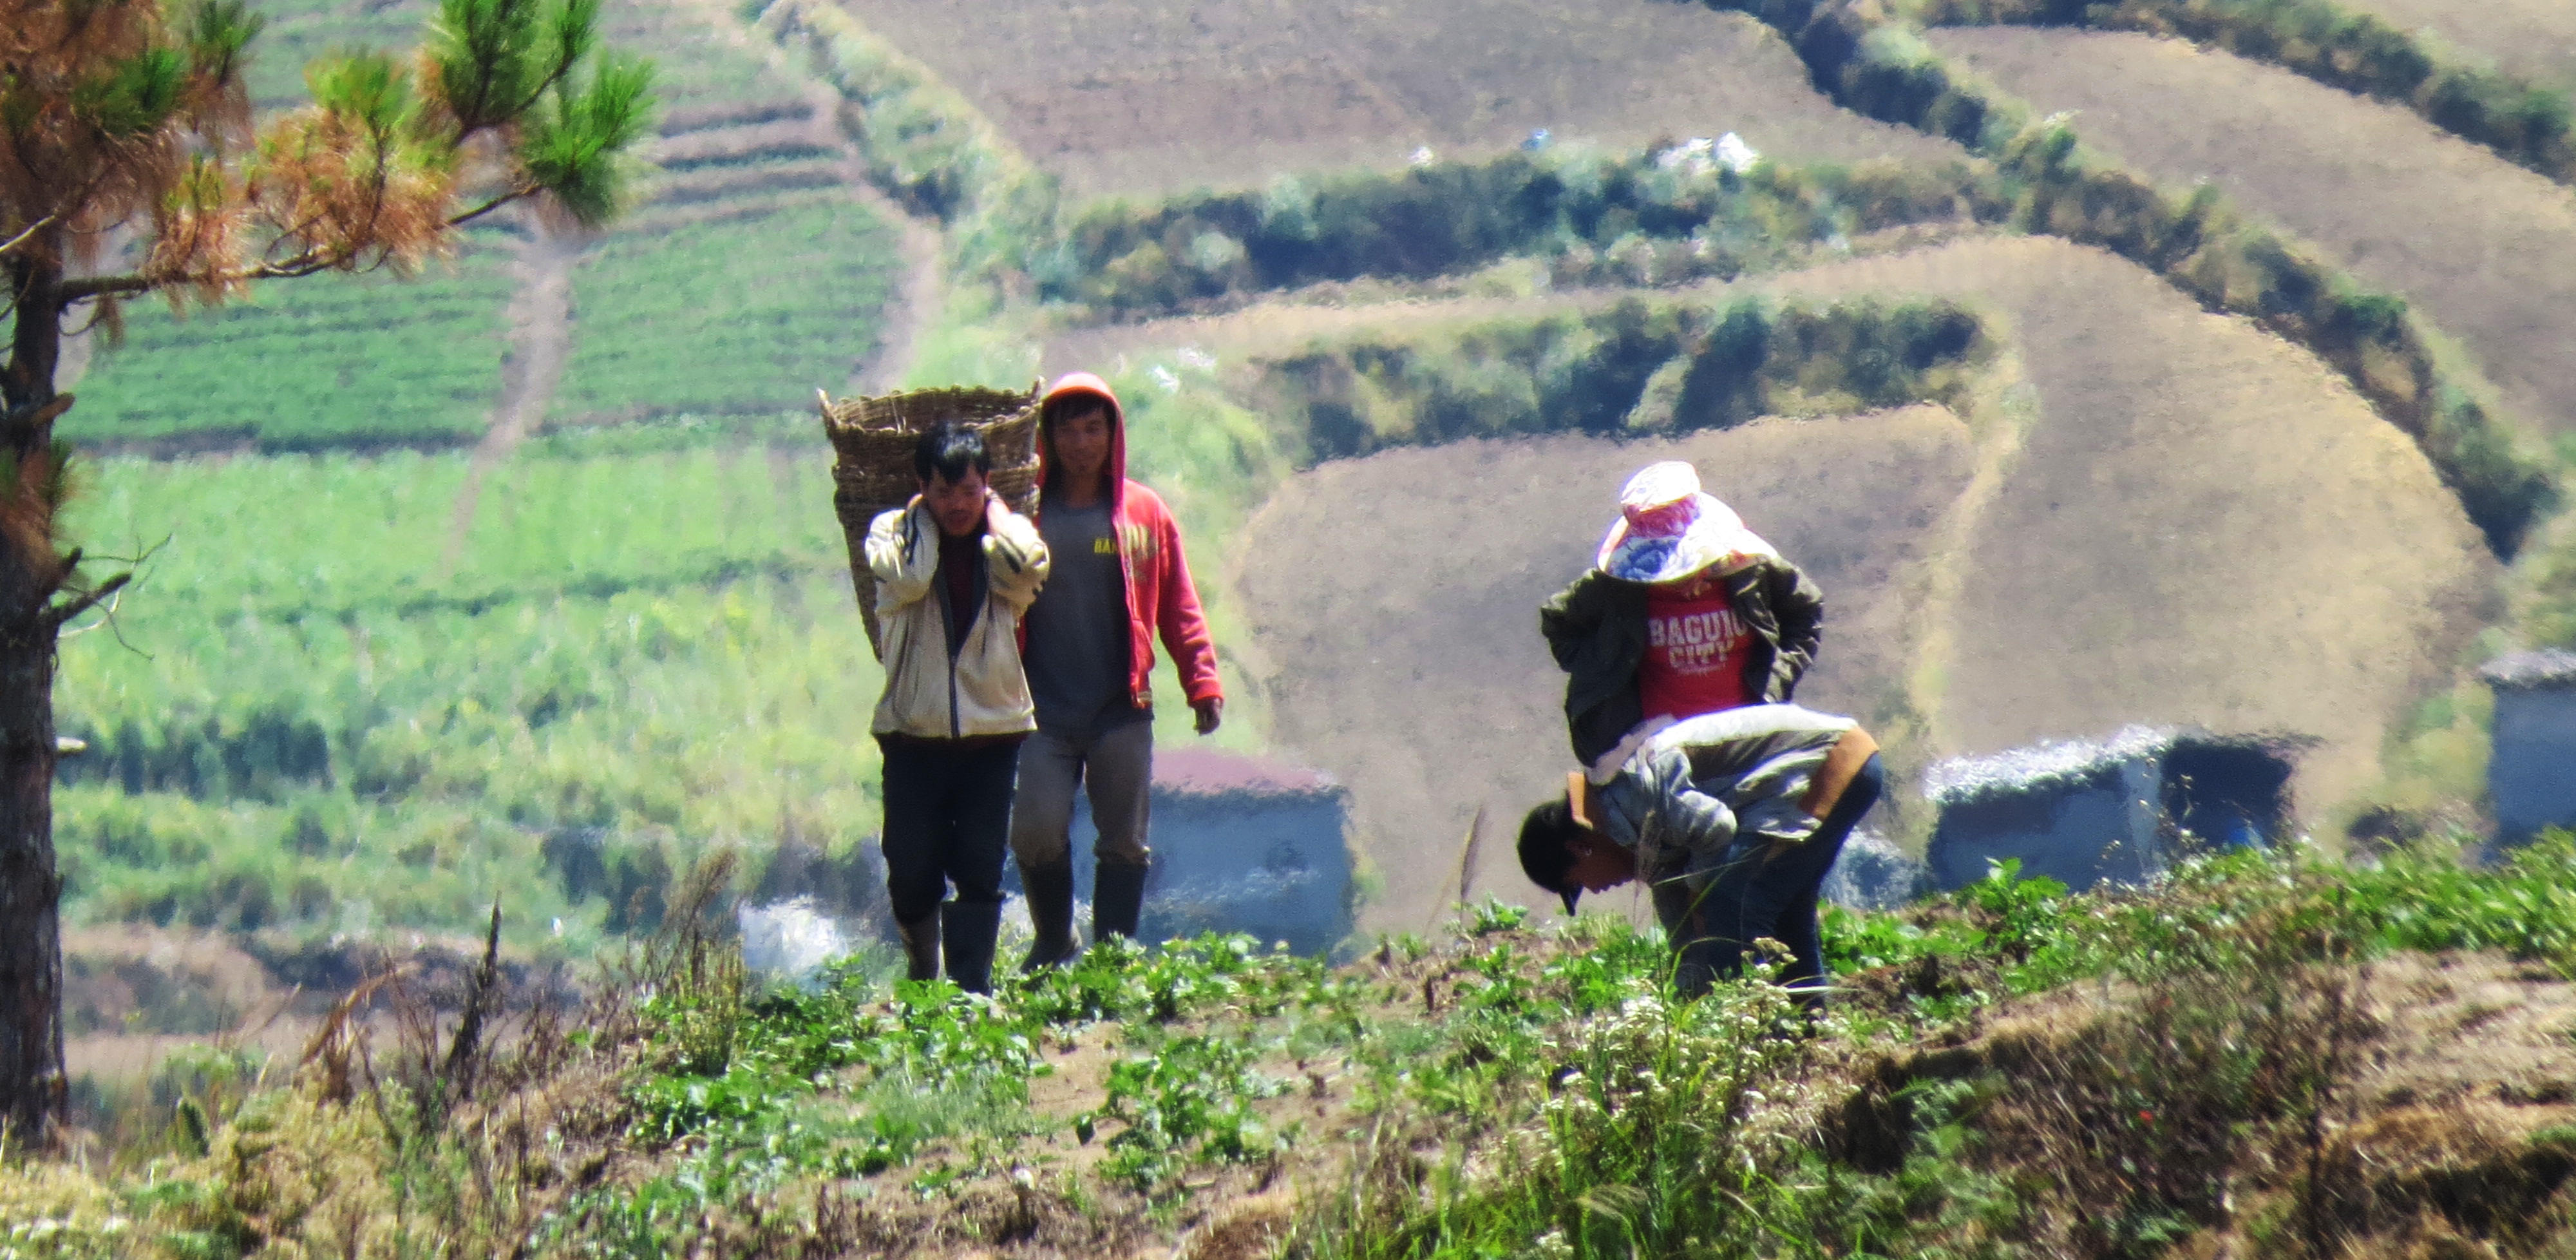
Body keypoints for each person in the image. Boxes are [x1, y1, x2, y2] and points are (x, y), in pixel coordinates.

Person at [1009, 372, 1225, 971]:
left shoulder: (1142, 514)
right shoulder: (1023, 513)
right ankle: (1054, 938)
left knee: (1124, 841)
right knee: (1035, 830)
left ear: (1113, 434)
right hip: (1040, 712)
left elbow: (1178, 601)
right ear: (1046, 437)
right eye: (1068, 430)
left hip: (1120, 709)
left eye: (1093, 429)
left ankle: (1114, 961)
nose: (1081, 443)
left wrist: (1200, 680)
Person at [1516, 705, 1884, 1004]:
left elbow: (1717, 828)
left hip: (1830, 759)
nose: (1596, 891)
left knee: (1732, 899)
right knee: (1782, 912)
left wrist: (1699, 891)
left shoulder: (1636, 791)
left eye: (1580, 884)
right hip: (1828, 767)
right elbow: (1686, 936)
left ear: (1579, 847)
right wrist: (1685, 996)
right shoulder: (1639, 841)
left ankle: (1759, 1034)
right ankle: (1810, 1030)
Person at [865, 421, 1050, 993]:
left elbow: (1030, 568)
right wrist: (924, 519)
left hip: (993, 732)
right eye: (943, 493)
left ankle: (972, 991)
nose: (958, 505)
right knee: (912, 868)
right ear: (921, 487)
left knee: (979, 866)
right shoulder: (890, 535)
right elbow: (914, 579)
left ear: (988, 485)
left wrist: (995, 515)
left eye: (969, 490)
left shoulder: (1008, 535)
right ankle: (924, 973)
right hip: (912, 733)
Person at [1540, 461, 1824, 775]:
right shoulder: (1616, 589)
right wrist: (1606, 666)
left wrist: (1777, 677)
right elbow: (1560, 622)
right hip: (1662, 751)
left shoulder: (1753, 573)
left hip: (1749, 736)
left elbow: (1804, 611)